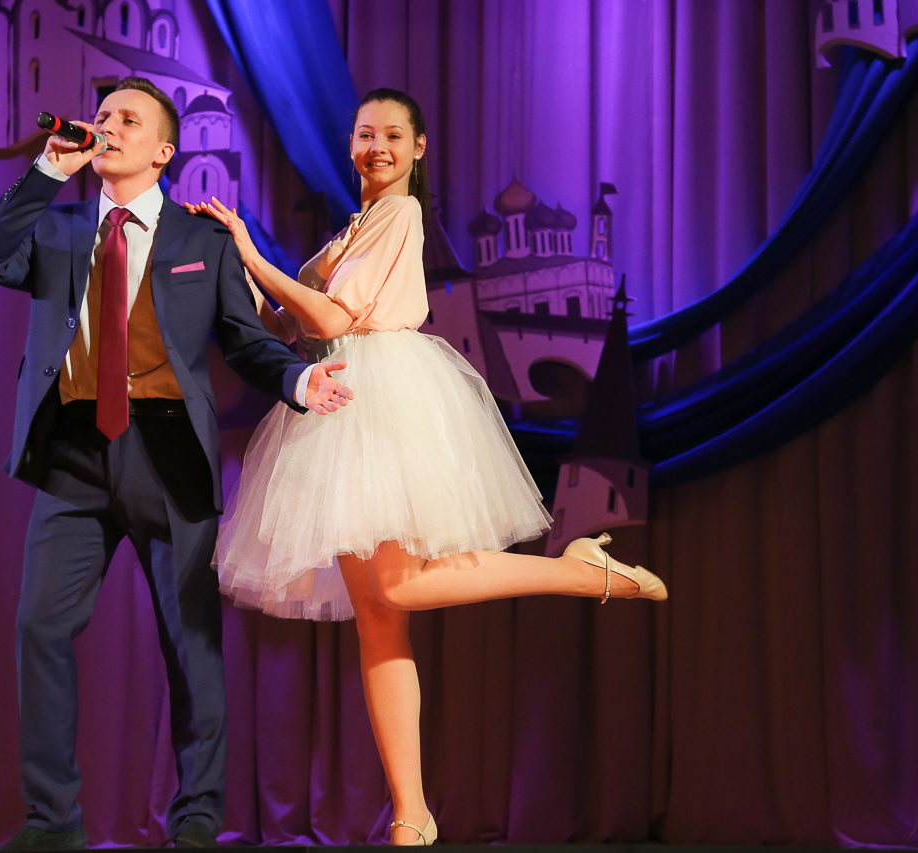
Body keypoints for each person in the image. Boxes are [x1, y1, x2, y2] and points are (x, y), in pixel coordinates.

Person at [188, 88, 667, 846]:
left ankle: (577, 571)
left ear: (418, 149)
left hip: (384, 396)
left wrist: (252, 253)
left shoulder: (403, 214)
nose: (375, 147)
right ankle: (411, 811)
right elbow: (293, 328)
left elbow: (334, 317)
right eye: (364, 134)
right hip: (335, 397)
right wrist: (237, 268)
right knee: (380, 621)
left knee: (397, 587)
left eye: (392, 135)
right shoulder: (350, 231)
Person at [0, 76, 354, 851]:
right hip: (74, 453)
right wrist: (46, 171)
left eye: (128, 119)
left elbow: (246, 342)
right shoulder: (58, 226)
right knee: (39, 625)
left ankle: (198, 815)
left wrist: (299, 380)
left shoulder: (201, 241)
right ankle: (51, 821)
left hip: (169, 451)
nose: (107, 126)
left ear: (164, 151)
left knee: (191, 642)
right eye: (102, 115)